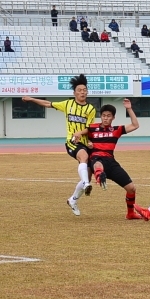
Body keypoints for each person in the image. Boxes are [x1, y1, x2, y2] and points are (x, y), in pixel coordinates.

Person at [22, 74, 97, 214]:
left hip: (85, 143)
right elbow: (47, 104)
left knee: (87, 173)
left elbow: (90, 128)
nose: (82, 92)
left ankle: (73, 200)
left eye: (84, 90)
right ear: (74, 92)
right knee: (83, 157)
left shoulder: (90, 109)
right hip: (72, 142)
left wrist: (86, 137)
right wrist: (31, 99)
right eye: (79, 90)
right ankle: (87, 184)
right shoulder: (67, 104)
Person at [84, 99, 149, 219]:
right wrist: (87, 142)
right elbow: (81, 137)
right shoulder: (92, 128)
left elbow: (135, 125)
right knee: (98, 163)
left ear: (113, 118)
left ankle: (130, 214)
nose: (105, 118)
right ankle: (99, 175)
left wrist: (129, 108)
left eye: (108, 116)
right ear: (100, 116)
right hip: (96, 158)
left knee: (131, 188)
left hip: (111, 162)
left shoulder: (116, 130)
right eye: (103, 115)